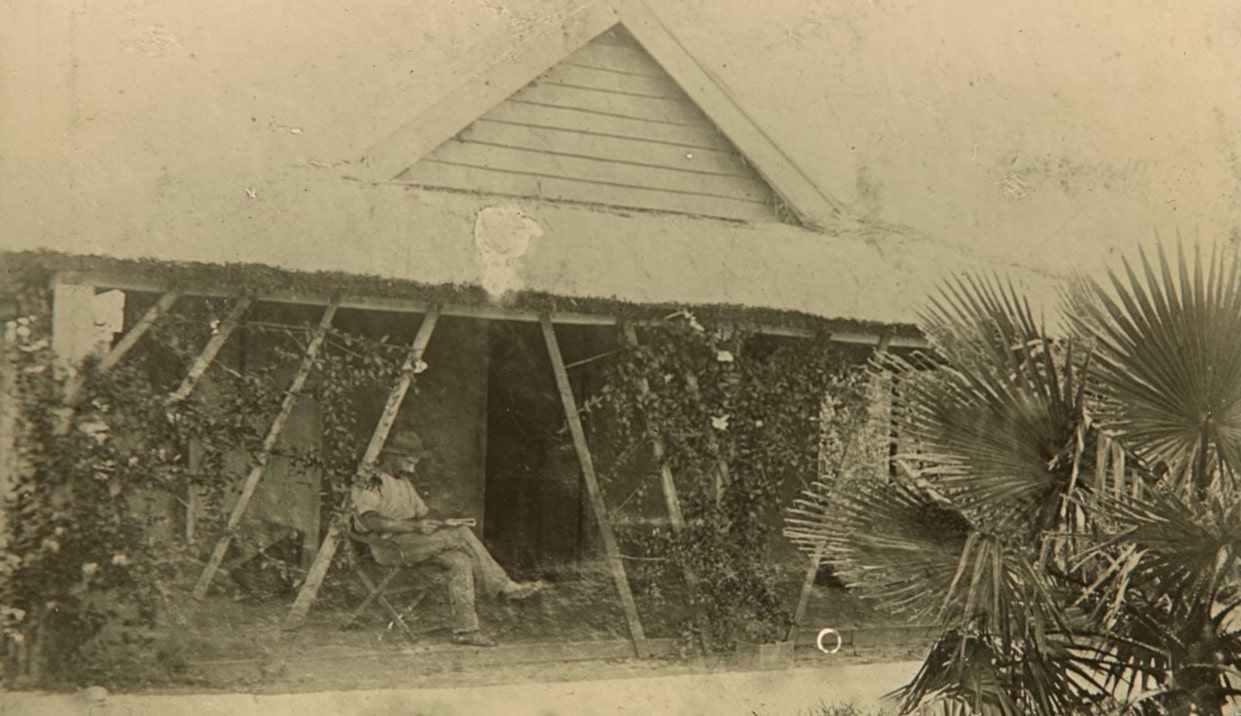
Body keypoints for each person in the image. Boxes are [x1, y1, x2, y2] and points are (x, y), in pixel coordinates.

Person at [351, 431, 543, 647]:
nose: (412, 468)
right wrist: (414, 526)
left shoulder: (404, 482)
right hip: (388, 547)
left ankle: (466, 630)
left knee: (460, 559)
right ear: (393, 456)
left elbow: (423, 514)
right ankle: (503, 585)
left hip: (412, 542)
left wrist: (444, 522)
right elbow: (370, 521)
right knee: (461, 535)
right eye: (409, 461)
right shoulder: (373, 481)